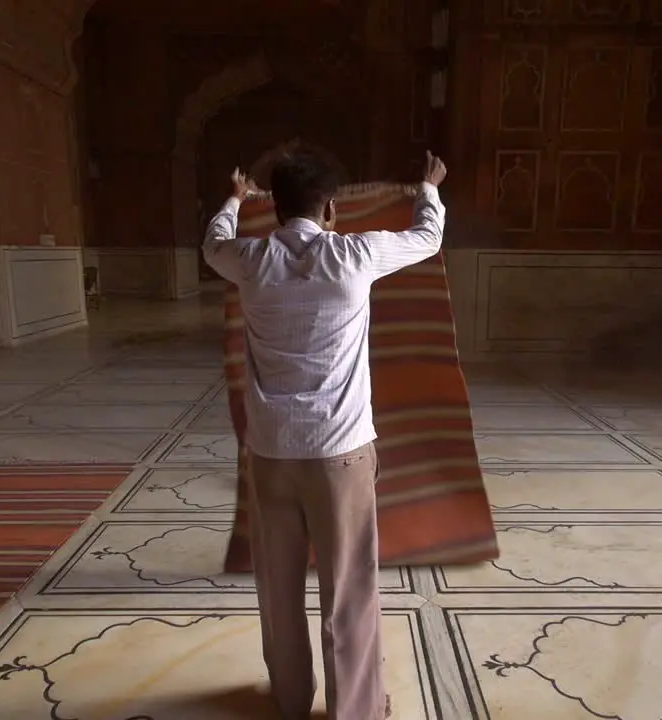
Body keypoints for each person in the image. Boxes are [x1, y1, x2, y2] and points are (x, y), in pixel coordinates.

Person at [202, 146, 447, 720]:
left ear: (276, 209)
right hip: (340, 452)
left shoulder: (250, 260)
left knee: (278, 590)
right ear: (332, 209)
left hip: (271, 452)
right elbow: (427, 237)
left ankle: (290, 700)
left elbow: (213, 242)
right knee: (349, 590)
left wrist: (234, 200)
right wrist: (428, 187)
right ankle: (354, 710)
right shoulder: (357, 255)